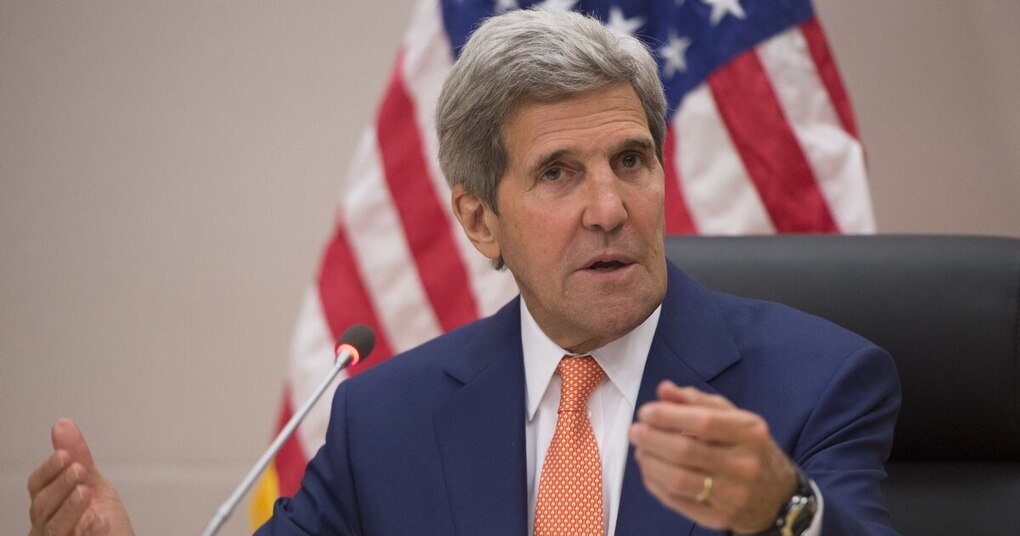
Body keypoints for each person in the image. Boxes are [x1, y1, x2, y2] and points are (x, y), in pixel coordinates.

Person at [27, 8, 900, 536]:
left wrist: (785, 512)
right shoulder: (385, 420)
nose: (609, 206)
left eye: (631, 161)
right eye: (558, 173)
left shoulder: (815, 382)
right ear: (481, 220)